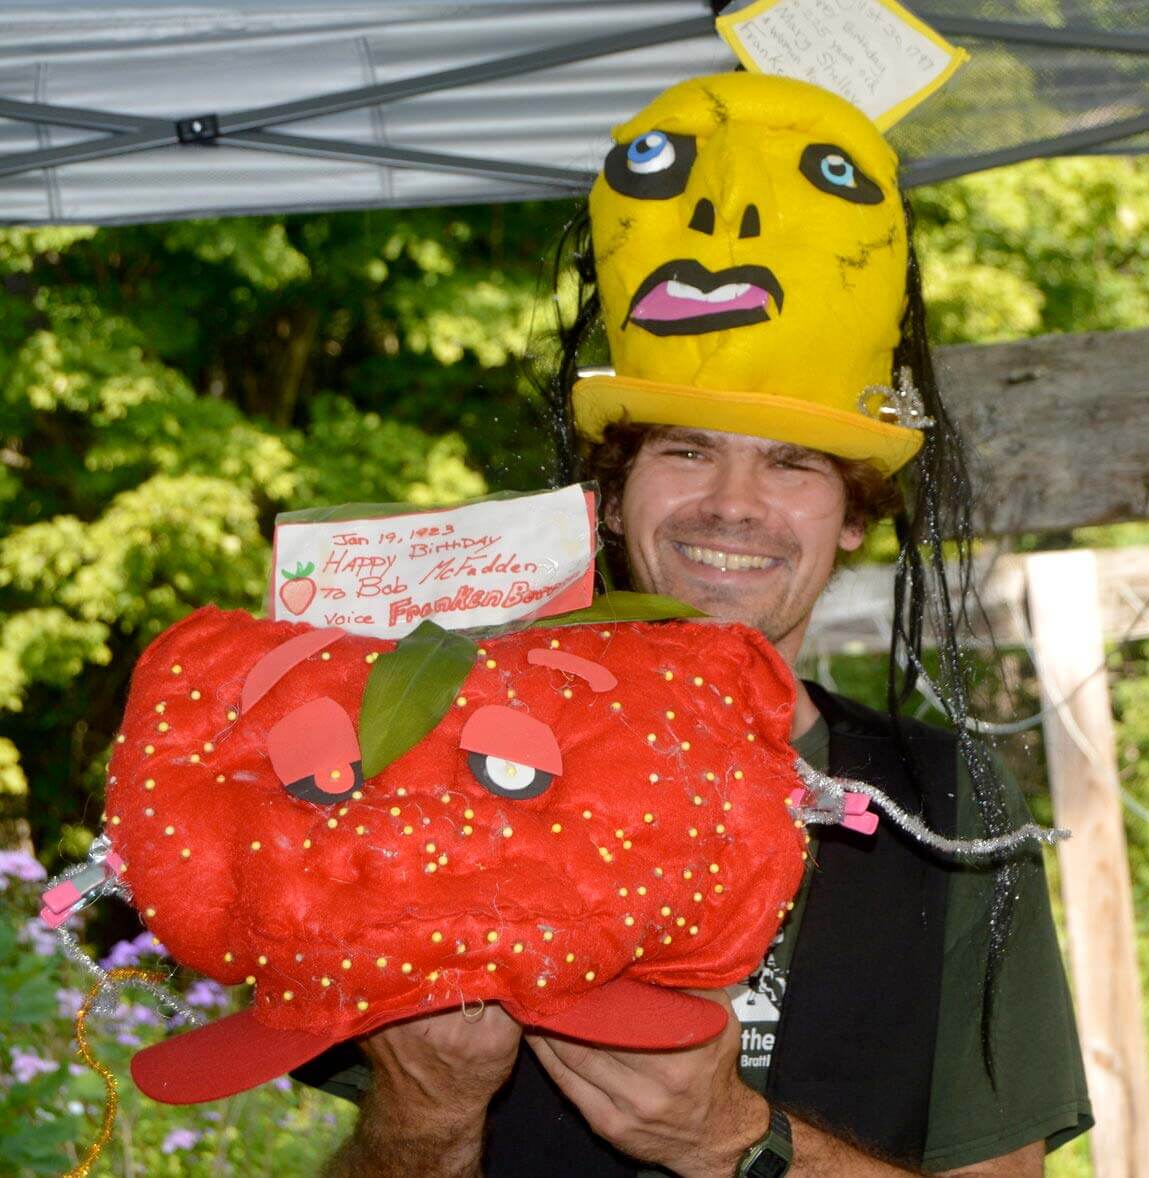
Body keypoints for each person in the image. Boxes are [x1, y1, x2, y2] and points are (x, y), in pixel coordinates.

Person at [308, 73, 1092, 1176]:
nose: (732, 502)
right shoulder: (462, 753)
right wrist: (427, 1110)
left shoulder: (947, 805)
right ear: (615, 494)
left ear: (856, 515)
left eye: (792, 463)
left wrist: (736, 1141)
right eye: (685, 449)